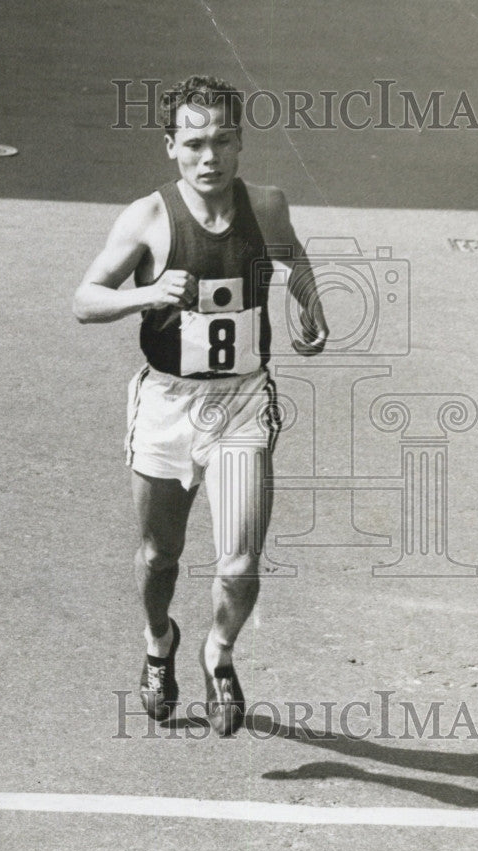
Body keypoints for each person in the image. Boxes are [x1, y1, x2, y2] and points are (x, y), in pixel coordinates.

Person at [73, 75, 328, 736]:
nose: (208, 158)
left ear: (240, 143)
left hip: (241, 403)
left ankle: (220, 653)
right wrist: (147, 294)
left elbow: (292, 257)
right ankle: (160, 640)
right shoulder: (148, 217)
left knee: (239, 567)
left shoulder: (266, 206)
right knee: (161, 555)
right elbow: (84, 300)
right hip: (166, 404)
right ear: (170, 147)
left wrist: (311, 307)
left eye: (221, 141)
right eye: (193, 144)